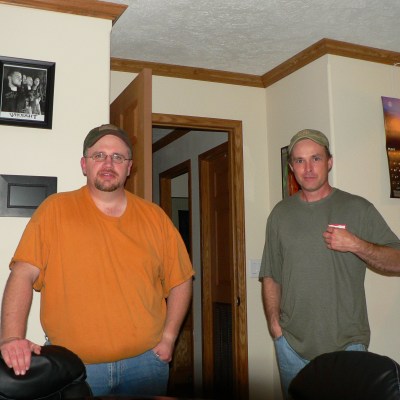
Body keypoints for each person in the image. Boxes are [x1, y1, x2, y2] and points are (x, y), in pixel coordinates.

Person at [0, 124, 194, 397]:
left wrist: (169, 338)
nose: (108, 163)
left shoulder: (155, 218)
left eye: (118, 157)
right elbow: (22, 273)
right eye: (99, 155)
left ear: (129, 167)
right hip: (75, 369)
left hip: (146, 365)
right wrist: (11, 337)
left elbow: (181, 280)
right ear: (84, 164)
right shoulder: (54, 211)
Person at [259, 129, 400, 399]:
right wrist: (276, 327)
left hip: (347, 346)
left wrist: (357, 244)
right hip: (291, 347)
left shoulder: (358, 208)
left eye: (316, 158)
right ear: (292, 168)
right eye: (300, 161)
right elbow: (271, 275)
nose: (308, 168)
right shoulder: (280, 214)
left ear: (329, 162)